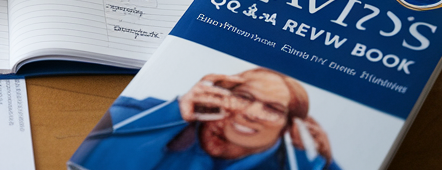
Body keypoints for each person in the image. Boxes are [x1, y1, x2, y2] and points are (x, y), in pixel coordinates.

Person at [68, 69, 339, 169]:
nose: (250, 113)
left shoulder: (307, 162)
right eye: (243, 97)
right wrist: (174, 113)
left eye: (273, 109)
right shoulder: (147, 115)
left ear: (291, 127)